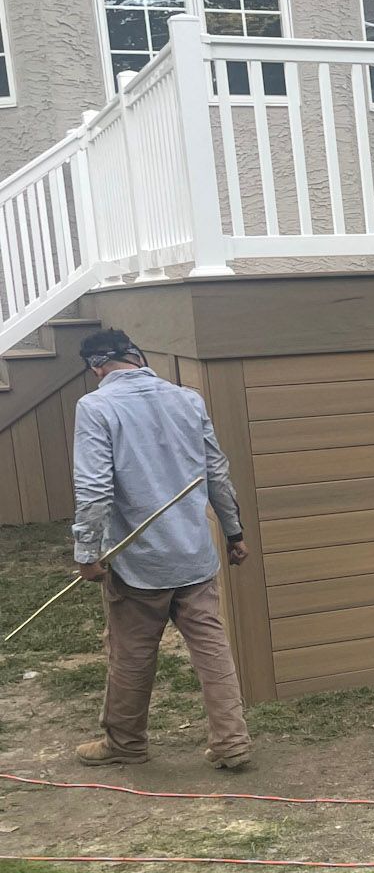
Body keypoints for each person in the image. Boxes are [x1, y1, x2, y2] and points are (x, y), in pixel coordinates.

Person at [70, 329, 253, 770]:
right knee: (213, 652)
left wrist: (86, 552)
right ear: (137, 356)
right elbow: (216, 472)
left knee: (132, 653)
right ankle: (233, 744)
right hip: (193, 554)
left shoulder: (95, 406)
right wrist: (234, 533)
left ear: (96, 367)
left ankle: (127, 743)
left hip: (139, 565)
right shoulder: (187, 400)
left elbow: (94, 488)